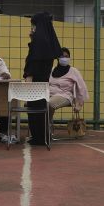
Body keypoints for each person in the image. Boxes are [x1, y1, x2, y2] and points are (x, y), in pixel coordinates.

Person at [23, 12, 62, 145]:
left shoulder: (38, 41)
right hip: (44, 81)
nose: (32, 28)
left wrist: (28, 77)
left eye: (33, 25)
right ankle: (43, 136)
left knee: (33, 110)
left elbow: (33, 61)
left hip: (35, 80)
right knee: (41, 109)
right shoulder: (48, 39)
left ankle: (37, 137)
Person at [49, 47, 88, 122]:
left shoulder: (73, 71)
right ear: (57, 58)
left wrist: (79, 104)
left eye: (66, 56)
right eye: (62, 56)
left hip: (64, 95)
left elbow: (82, 87)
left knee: (49, 104)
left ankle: (46, 127)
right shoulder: (52, 70)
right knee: (35, 104)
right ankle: (39, 128)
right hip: (48, 94)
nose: (64, 58)